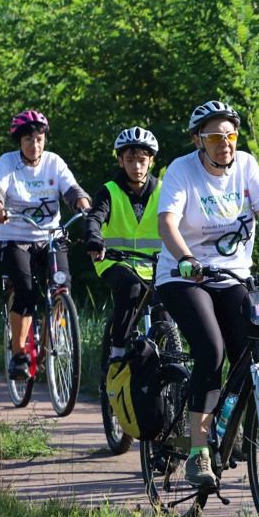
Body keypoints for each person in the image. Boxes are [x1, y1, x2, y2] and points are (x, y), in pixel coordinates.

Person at [155, 100, 259, 488]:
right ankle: (199, 452)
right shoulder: (182, 170)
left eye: (231, 135)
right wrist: (183, 257)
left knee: (250, 353)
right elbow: (167, 222)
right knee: (211, 351)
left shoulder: (245, 165)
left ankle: (231, 435)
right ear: (199, 140)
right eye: (216, 137)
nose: (225, 143)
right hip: (184, 277)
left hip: (232, 276)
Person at [0, 110, 91, 379]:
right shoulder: (7, 163)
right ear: (19, 142)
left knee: (61, 285)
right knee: (26, 291)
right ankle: (20, 354)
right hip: (14, 238)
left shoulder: (54, 163)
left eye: (39, 139)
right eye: (28, 140)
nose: (35, 146)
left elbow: (72, 189)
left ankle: (47, 345)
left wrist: (83, 204)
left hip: (50, 237)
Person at [84, 127, 163, 360]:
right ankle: (117, 353)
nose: (136, 167)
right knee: (130, 287)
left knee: (167, 302)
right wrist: (94, 239)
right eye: (130, 160)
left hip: (155, 264)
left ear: (151, 162)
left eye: (141, 160)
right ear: (120, 161)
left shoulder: (163, 189)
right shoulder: (109, 191)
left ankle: (167, 356)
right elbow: (95, 218)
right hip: (115, 260)